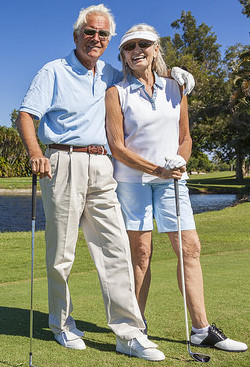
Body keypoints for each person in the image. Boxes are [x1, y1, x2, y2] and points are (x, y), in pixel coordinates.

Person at [16, 5, 194, 361]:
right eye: (89, 32)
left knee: (115, 247)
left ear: (109, 40)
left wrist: (176, 74)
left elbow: (144, 73)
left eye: (102, 34)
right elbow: (26, 114)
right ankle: (62, 325)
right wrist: (35, 151)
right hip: (62, 161)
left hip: (103, 166)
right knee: (62, 253)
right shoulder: (53, 70)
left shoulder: (112, 73)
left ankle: (129, 332)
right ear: (77, 35)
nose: (95, 38)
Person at [105, 23, 248, 353]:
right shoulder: (116, 93)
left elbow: (185, 138)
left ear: (156, 49)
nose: (137, 49)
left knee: (190, 249)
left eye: (144, 44)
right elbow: (117, 146)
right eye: (129, 47)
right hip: (133, 182)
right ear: (123, 56)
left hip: (172, 181)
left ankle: (201, 329)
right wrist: (156, 167)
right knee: (140, 254)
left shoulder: (176, 87)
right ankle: (134, 331)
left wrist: (180, 162)